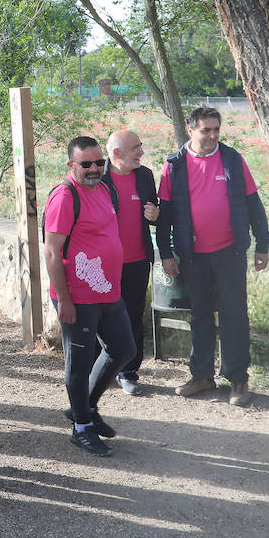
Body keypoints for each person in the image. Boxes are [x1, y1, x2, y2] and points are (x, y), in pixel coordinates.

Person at [156, 107, 269, 407]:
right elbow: (165, 214)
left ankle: (238, 380)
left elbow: (253, 205)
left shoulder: (232, 159)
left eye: (216, 129)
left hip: (230, 252)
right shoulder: (174, 165)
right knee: (200, 316)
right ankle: (202, 376)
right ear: (191, 130)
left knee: (235, 315)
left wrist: (262, 244)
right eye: (206, 130)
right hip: (193, 256)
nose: (212, 136)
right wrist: (166, 253)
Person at [43, 136, 135, 457]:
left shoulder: (106, 189)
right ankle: (81, 428)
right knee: (78, 364)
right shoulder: (65, 197)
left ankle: (84, 409)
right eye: (86, 164)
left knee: (123, 348)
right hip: (78, 296)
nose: (95, 169)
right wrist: (64, 299)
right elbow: (52, 252)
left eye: (99, 162)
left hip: (108, 289)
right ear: (72, 166)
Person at [103, 130, 159, 396]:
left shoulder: (145, 176)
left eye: (141, 146)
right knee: (100, 318)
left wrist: (156, 215)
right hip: (103, 264)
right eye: (136, 148)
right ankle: (99, 371)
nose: (141, 152)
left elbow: (156, 213)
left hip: (137, 262)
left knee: (134, 318)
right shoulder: (98, 177)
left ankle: (128, 373)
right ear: (116, 153)